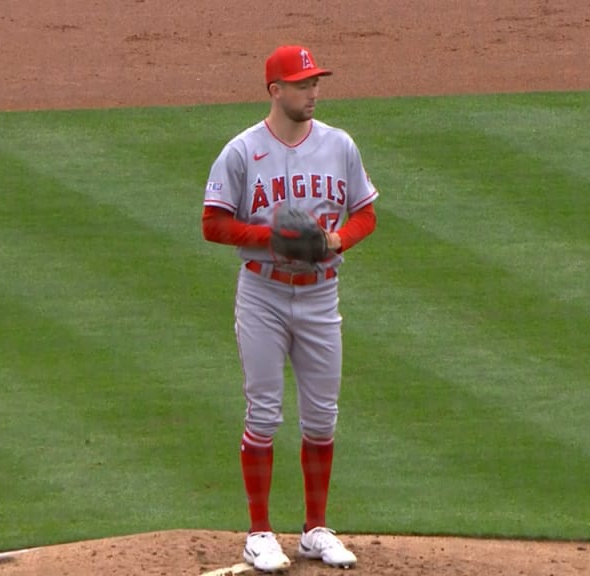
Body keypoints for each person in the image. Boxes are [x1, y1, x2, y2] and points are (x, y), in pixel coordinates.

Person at [201, 44, 378, 572]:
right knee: (264, 413)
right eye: (303, 85)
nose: (313, 92)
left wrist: (335, 241)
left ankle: (315, 529)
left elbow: (365, 213)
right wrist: (273, 237)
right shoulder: (241, 151)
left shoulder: (339, 145)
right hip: (263, 294)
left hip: (322, 293)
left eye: (316, 83)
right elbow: (212, 223)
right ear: (275, 91)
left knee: (322, 418)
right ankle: (259, 533)